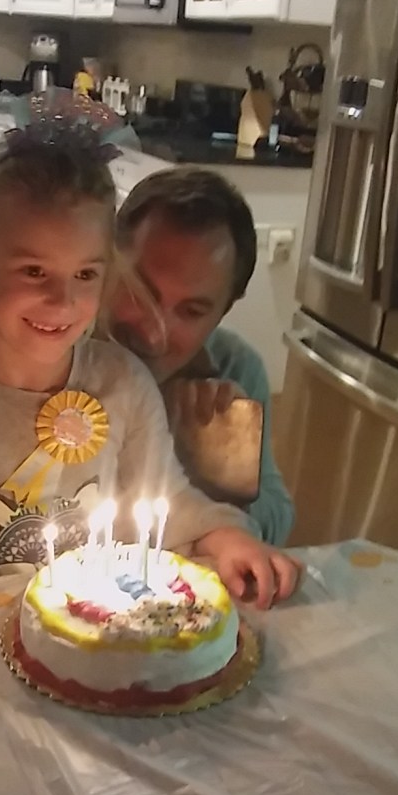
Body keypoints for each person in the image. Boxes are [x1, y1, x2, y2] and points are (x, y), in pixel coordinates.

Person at [0, 124, 301, 658]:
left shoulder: (124, 381)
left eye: (85, 274)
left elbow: (172, 501)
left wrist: (224, 534)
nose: (62, 301)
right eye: (34, 270)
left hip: (104, 645)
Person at [111, 166, 294, 546]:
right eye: (140, 292)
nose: (155, 331)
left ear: (223, 311)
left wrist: (224, 467)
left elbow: (278, 518)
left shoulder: (234, 367)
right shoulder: (60, 351)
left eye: (191, 312)